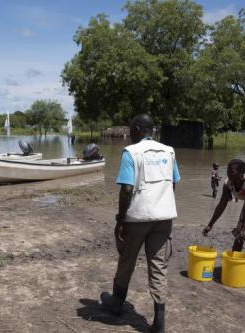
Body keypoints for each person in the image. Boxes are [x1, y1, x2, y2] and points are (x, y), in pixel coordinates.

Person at [100, 114, 180, 333]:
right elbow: (172, 183)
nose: (130, 134)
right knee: (158, 265)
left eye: (130, 129)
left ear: (136, 129)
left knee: (127, 259)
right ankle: (159, 322)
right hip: (164, 218)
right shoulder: (169, 151)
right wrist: (161, 205)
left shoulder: (131, 152)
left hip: (137, 218)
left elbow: (126, 189)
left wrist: (120, 219)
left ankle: (117, 302)